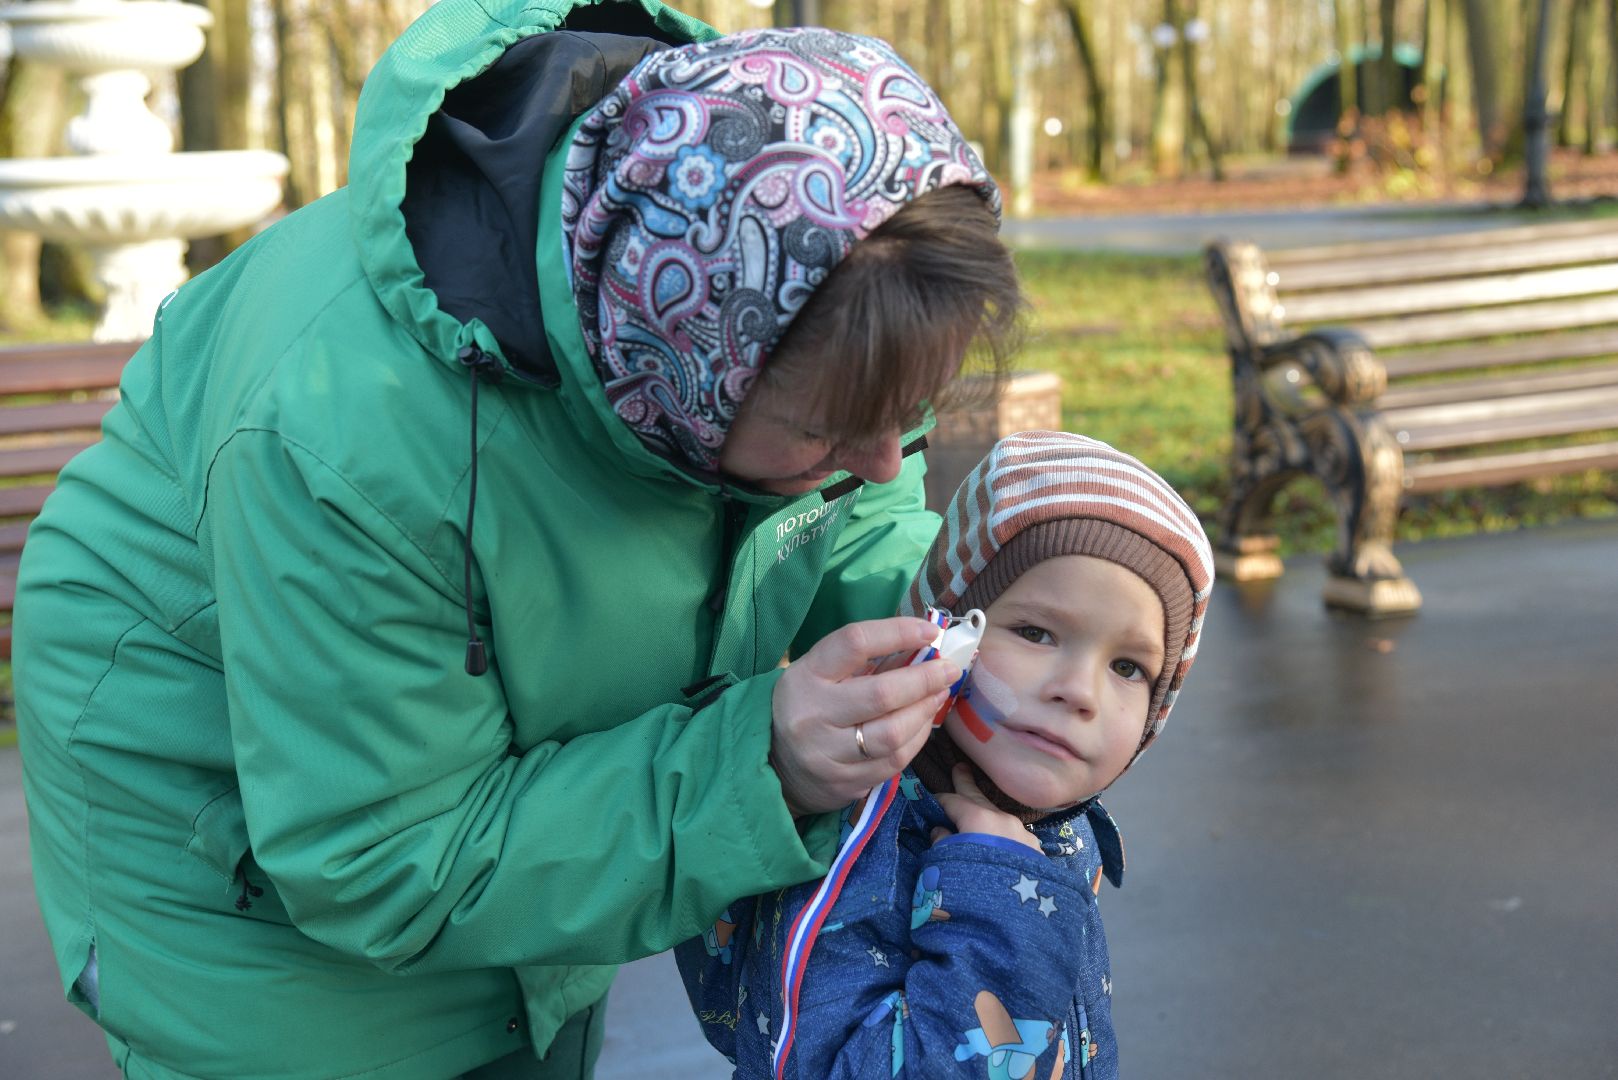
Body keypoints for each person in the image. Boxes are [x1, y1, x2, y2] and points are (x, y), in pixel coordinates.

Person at [10, 4, 1024, 1077]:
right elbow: (383, 858)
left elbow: (848, 510)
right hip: (224, 836)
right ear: (678, 363)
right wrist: (760, 762)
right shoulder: (348, 442)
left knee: (528, 1006)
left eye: (909, 411)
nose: (879, 461)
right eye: (828, 428)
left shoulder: (733, 315)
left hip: (430, 771)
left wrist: (985, 616)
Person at [676, 430, 1218, 1079]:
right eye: (1035, 632)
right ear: (944, 638)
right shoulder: (861, 848)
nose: (1079, 691)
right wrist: (999, 912)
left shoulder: (1043, 819)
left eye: (1129, 667)